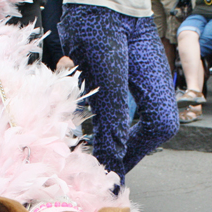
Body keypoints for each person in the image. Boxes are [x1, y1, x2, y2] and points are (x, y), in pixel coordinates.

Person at [57, 0, 179, 188]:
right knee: (113, 127)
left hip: (142, 17)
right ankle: (108, 207)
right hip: (94, 13)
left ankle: (90, 184)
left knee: (163, 122)